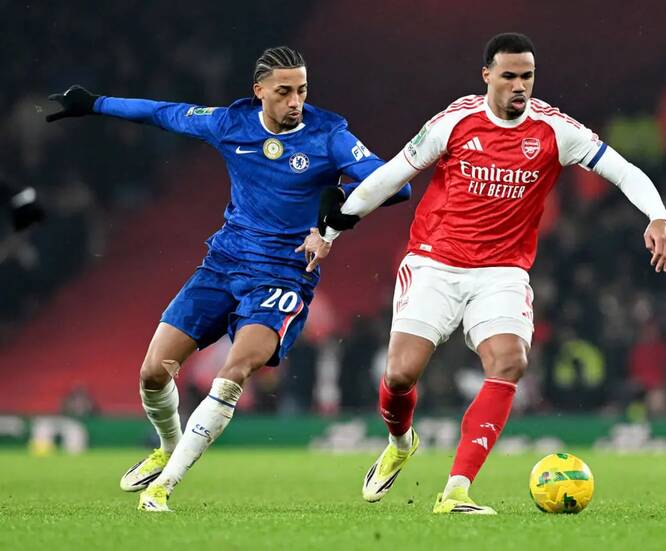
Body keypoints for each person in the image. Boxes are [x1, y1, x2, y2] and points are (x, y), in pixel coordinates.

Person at [299, 33, 666, 514]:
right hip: (435, 262)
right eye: (509, 76)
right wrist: (330, 232)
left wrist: (658, 216)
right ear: (487, 76)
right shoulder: (455, 122)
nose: (520, 86)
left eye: (527, 77)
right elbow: (392, 175)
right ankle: (400, 443)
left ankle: (456, 490)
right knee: (400, 374)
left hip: (502, 272)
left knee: (509, 362)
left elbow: (623, 170)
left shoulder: (555, 130)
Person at [46, 46, 411, 512]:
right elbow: (164, 113)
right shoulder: (230, 124)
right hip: (223, 264)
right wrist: (96, 104)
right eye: (284, 92)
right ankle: (167, 446)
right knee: (153, 373)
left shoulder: (328, 135)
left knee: (233, 373)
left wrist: (335, 214)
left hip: (282, 277)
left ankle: (164, 487)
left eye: (302, 90)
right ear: (259, 91)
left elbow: (395, 186)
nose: (296, 101)